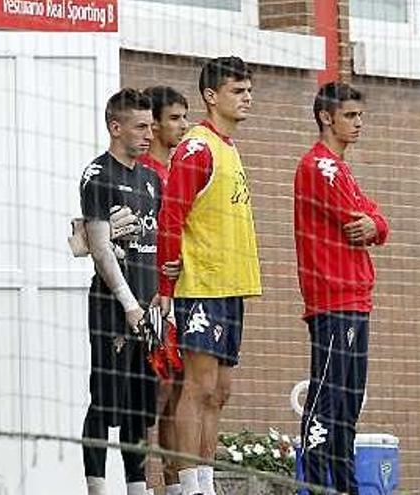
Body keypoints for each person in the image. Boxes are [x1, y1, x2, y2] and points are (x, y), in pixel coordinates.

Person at [157, 57, 261, 495]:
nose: (247, 98)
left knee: (220, 391)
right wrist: (165, 290)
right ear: (211, 96)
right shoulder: (198, 147)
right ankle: (188, 486)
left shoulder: (229, 148)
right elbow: (170, 217)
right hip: (200, 286)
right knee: (197, 388)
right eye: (238, 91)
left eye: (249, 90)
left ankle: (207, 479)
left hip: (231, 285)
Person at [294, 81, 389, 495]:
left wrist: (377, 225)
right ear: (325, 117)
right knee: (326, 401)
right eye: (350, 116)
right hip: (333, 298)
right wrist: (375, 224)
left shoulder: (341, 168)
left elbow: (373, 220)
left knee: (348, 408)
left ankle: (346, 487)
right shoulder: (320, 167)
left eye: (360, 116)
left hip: (355, 298)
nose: (358, 123)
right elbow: (358, 217)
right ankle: (315, 486)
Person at [80, 88, 161, 495]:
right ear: (116, 127)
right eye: (141, 126)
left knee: (138, 408)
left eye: (151, 126)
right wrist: (129, 304)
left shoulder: (150, 179)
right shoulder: (98, 175)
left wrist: (162, 300)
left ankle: (138, 488)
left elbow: (157, 244)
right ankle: (97, 489)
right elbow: (98, 249)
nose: (150, 134)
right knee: (105, 402)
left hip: (151, 309)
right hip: (114, 308)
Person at [139, 85, 189, 495]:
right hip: (150, 298)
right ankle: (138, 482)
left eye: (184, 117)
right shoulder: (141, 174)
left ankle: (174, 486)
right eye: (174, 118)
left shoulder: (179, 172)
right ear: (152, 123)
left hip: (184, 296)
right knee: (153, 395)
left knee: (180, 394)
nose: (182, 126)